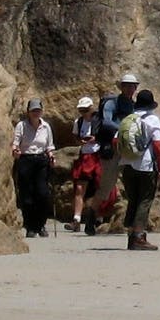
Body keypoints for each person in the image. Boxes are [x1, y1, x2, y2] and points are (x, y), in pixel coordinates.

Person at [90, 72, 139, 234]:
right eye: (127, 86)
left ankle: (131, 223)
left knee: (132, 185)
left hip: (127, 149)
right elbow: (106, 121)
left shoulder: (133, 105)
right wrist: (124, 129)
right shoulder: (112, 103)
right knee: (106, 186)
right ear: (122, 87)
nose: (130, 89)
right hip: (113, 149)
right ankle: (91, 216)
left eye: (133, 86)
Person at [119, 89, 160, 251]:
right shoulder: (153, 120)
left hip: (127, 164)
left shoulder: (128, 119)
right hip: (145, 165)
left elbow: (116, 140)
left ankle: (132, 235)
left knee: (133, 199)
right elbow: (157, 145)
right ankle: (138, 237)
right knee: (145, 200)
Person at [10, 98, 56, 238]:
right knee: (27, 195)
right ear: (28, 112)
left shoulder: (46, 126)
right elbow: (16, 143)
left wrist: (51, 156)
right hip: (26, 160)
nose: (36, 113)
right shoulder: (21, 126)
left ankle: (40, 224)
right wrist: (16, 151)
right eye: (33, 110)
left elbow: (49, 145)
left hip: (41, 160)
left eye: (38, 110)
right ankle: (30, 225)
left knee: (42, 193)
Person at [65, 96, 100, 231]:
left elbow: (106, 134)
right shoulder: (78, 122)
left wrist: (95, 138)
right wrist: (80, 141)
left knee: (99, 187)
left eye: (86, 110)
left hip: (98, 154)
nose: (84, 113)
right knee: (80, 188)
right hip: (85, 155)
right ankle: (77, 219)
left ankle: (97, 218)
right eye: (81, 110)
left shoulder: (99, 120)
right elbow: (75, 136)